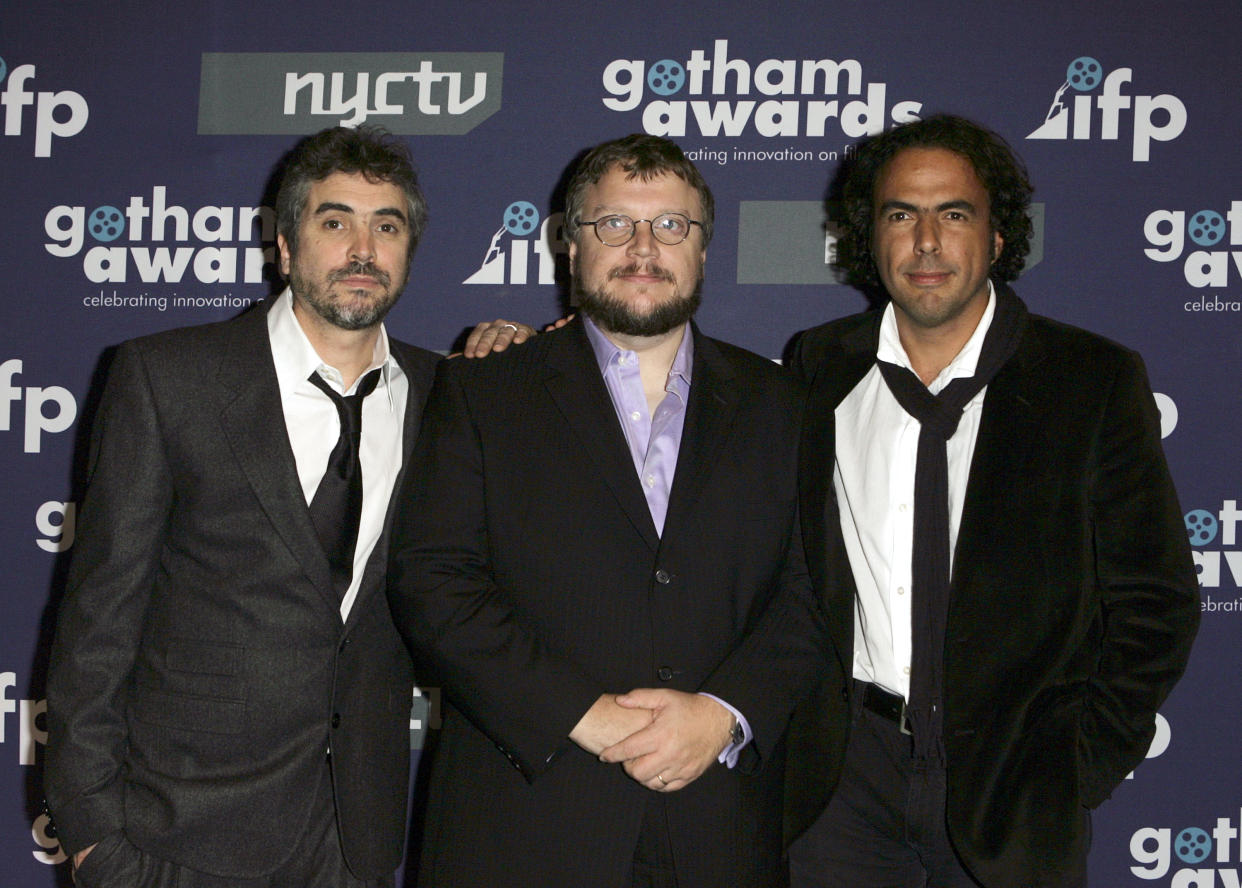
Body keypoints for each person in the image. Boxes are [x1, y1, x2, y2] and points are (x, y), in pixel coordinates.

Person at [42, 125, 530, 887]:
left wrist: (534, 371)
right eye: (335, 222)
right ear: (285, 245)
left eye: (387, 226)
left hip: (355, 841)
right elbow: (98, 623)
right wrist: (93, 836)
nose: (362, 248)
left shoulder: (450, 399)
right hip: (177, 837)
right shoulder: (170, 379)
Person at [385, 133, 829, 887]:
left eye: (671, 226)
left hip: (717, 826)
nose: (643, 248)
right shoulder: (485, 392)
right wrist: (586, 715)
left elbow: (814, 592)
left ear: (705, 248)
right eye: (614, 224)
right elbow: (434, 583)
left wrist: (723, 714)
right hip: (522, 825)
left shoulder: (784, 403)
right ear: (569, 243)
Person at [783, 114, 1200, 887]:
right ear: (869, 239)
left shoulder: (1090, 380)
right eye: (901, 214)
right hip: (845, 786)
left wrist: (1074, 769)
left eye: (956, 213)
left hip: (1015, 785)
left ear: (1000, 237)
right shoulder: (820, 366)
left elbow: (1158, 600)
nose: (928, 242)